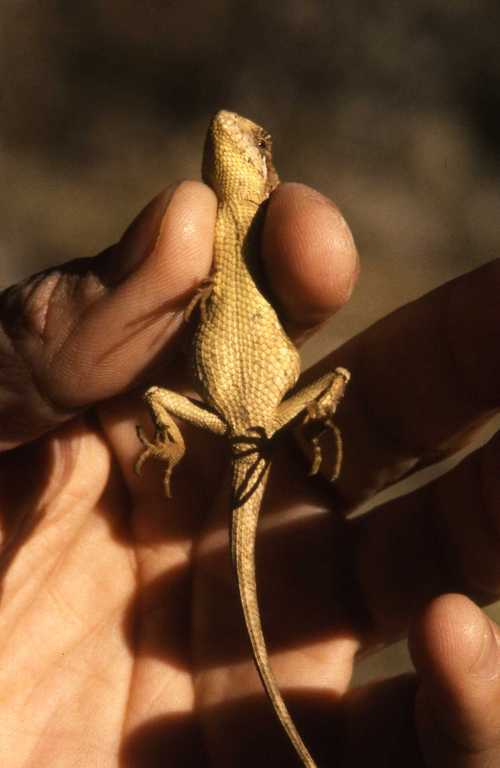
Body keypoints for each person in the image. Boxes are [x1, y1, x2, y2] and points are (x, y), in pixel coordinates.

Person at [0, 179, 498, 766]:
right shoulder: (230, 236)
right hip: (238, 408)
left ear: (265, 175)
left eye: (255, 145)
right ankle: (198, 441)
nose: (235, 138)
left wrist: (314, 419)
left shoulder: (258, 232)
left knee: (316, 362)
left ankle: (296, 428)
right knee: (166, 392)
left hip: (257, 416)